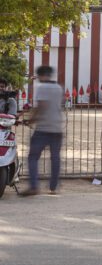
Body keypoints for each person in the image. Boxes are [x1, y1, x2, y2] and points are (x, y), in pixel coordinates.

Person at [21, 66, 65, 196]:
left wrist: (30, 120)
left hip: (43, 129)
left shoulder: (42, 88)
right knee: (55, 158)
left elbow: (41, 106)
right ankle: (53, 187)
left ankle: (34, 186)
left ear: (41, 76)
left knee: (33, 157)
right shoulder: (58, 88)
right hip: (57, 127)